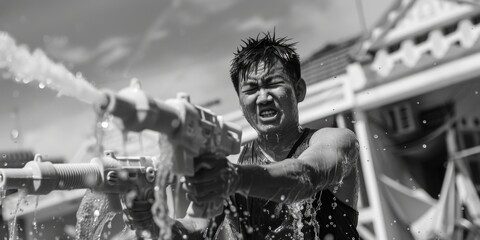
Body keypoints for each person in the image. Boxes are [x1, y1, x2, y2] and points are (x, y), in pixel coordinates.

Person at [126, 31, 360, 240]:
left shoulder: (337, 141)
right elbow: (195, 229)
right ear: (240, 102)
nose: (263, 97)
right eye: (251, 89)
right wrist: (152, 224)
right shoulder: (233, 163)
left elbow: (306, 177)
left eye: (272, 84)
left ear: (299, 90)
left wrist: (236, 179)